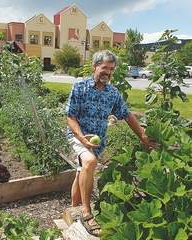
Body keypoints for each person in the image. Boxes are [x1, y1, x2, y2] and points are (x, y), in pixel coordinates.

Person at [66, 50, 156, 236]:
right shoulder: (80, 87)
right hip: (78, 137)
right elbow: (71, 117)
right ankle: (86, 212)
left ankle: (73, 210)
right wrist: (82, 138)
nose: (108, 72)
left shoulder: (112, 93)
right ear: (95, 67)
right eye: (104, 68)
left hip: (98, 142)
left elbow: (127, 115)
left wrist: (142, 136)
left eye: (111, 69)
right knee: (90, 163)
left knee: (81, 172)